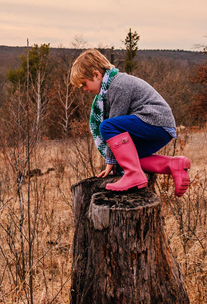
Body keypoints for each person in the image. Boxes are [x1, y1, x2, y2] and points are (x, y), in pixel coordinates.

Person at [70, 49, 191, 196]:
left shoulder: (118, 85)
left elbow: (113, 123)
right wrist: (115, 160)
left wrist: (110, 160)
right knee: (130, 158)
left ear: (96, 74)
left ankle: (134, 175)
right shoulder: (111, 87)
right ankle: (172, 165)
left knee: (107, 126)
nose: (84, 89)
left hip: (154, 120)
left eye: (84, 84)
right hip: (160, 128)